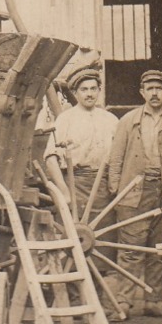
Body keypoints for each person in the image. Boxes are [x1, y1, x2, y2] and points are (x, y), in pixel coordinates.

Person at [106, 69, 162, 319]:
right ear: (142, 92)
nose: (155, 93)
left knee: (159, 247)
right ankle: (124, 302)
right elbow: (115, 159)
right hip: (133, 191)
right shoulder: (128, 121)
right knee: (130, 247)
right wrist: (116, 191)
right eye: (150, 88)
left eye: (159, 88)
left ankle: (153, 301)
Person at [44, 64, 118, 220]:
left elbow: (119, 158)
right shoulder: (65, 119)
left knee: (104, 240)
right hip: (75, 186)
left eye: (93, 89)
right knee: (76, 238)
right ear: (75, 93)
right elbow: (51, 159)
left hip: (104, 190)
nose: (89, 94)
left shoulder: (111, 120)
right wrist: (65, 193)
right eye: (84, 90)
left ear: (99, 90)